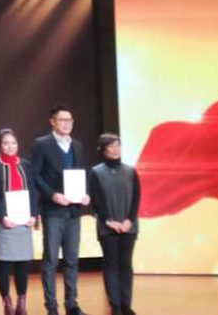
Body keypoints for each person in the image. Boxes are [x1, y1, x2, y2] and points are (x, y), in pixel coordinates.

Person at [31, 105, 90, 315]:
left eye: (69, 120)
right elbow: (35, 175)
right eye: (62, 120)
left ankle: (71, 304)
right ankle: (51, 307)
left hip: (73, 211)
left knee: (72, 259)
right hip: (53, 211)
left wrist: (85, 194)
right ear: (52, 122)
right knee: (51, 261)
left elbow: (81, 173)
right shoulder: (42, 144)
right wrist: (52, 195)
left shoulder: (77, 145)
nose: (66, 124)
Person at [0, 128, 39, 315]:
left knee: (22, 263)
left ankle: (21, 302)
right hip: (6, 221)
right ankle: (7, 303)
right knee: (5, 262)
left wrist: (33, 215)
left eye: (13, 143)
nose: (10, 146)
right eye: (6, 143)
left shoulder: (25, 164)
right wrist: (3, 217)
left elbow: (33, 190)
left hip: (24, 220)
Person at [89, 133, 140, 315]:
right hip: (107, 227)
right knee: (111, 265)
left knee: (125, 264)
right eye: (111, 146)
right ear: (103, 150)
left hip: (128, 226)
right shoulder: (96, 172)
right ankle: (115, 305)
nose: (115, 149)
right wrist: (109, 221)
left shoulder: (131, 171)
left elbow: (136, 198)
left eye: (117, 145)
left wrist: (129, 220)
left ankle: (126, 304)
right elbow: (96, 199)